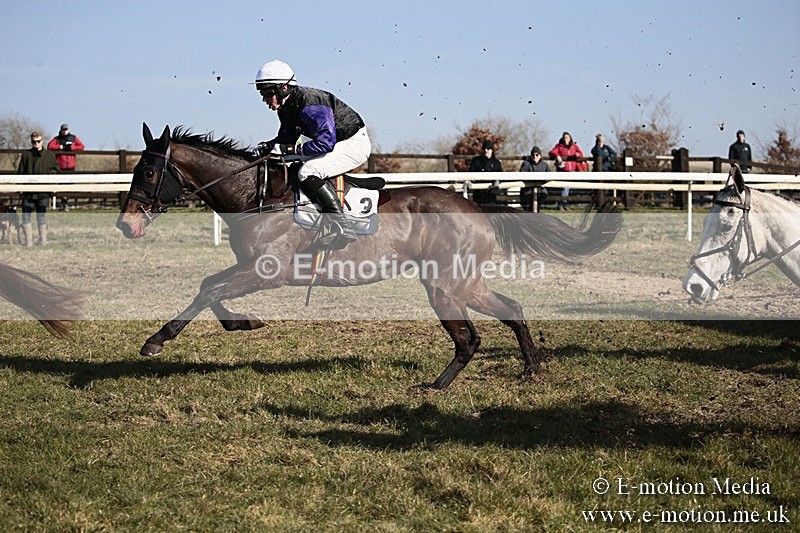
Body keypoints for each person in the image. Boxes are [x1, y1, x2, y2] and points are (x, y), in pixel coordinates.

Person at [253, 59, 371, 248]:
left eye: (267, 93)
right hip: (335, 143)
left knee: (307, 172)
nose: (264, 99)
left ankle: (343, 227)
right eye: (261, 93)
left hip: (352, 144)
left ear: (283, 88)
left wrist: (287, 150)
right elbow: (286, 140)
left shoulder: (311, 104)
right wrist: (268, 147)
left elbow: (325, 143)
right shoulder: (286, 107)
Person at [17, 132, 59, 246]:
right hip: (28, 192)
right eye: (34, 142)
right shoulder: (26, 154)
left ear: (42, 141)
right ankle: (28, 242)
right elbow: (21, 172)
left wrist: (50, 175)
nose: (36, 143)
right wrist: (19, 188)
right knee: (26, 215)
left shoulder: (49, 155)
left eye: (38, 141)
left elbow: (57, 170)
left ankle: (43, 240)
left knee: (41, 215)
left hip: (43, 192)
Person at [48, 123, 85, 210]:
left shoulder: (73, 138)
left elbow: (81, 146)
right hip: (61, 166)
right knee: (61, 185)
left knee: (69, 185)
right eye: (63, 130)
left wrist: (71, 148)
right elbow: (50, 146)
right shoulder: (57, 139)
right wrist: (60, 147)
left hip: (71, 166)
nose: (64, 131)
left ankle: (66, 203)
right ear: (60, 130)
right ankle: (62, 203)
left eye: (66, 130)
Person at [548, 132, 585, 209]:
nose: (566, 139)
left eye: (567, 137)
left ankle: (565, 203)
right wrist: (557, 156)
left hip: (573, 170)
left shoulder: (574, 146)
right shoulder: (559, 146)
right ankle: (563, 204)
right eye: (564, 137)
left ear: (570, 138)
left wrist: (577, 155)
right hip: (564, 170)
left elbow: (580, 153)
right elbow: (552, 152)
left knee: (570, 187)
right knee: (565, 187)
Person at [469, 140, 503, 205]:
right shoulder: (476, 161)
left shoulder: (496, 163)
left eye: (488, 148)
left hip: (492, 193)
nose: (486, 150)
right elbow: (471, 174)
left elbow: (501, 175)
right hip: (479, 193)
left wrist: (498, 181)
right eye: (484, 148)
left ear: (492, 150)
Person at [519, 146, 549, 210]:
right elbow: (522, 175)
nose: (535, 156)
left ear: (540, 155)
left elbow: (549, 176)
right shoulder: (526, 164)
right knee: (527, 205)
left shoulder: (544, 165)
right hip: (527, 189)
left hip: (540, 189)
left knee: (544, 194)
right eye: (533, 155)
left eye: (537, 155)